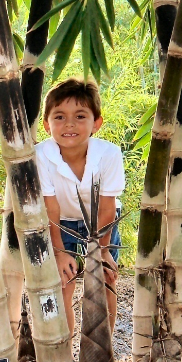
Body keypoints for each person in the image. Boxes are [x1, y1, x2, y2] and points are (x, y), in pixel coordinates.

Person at [35, 78, 125, 340]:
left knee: (104, 279)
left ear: (96, 123)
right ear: (46, 124)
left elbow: (107, 207)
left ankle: (102, 351)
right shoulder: (40, 155)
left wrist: (103, 251)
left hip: (101, 222)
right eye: (59, 116)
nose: (70, 124)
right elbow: (50, 206)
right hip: (60, 222)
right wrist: (60, 252)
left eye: (80, 116)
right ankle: (64, 355)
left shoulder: (109, 154)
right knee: (63, 282)